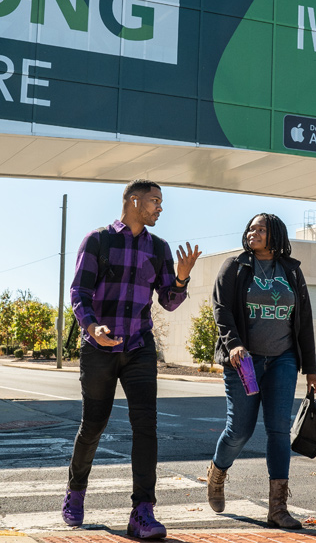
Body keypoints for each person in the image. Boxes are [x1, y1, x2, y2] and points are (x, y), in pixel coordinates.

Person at [64, 179, 201, 539]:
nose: (160, 207)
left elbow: (168, 301)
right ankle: (76, 489)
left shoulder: (159, 248)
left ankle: (143, 510)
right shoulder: (98, 241)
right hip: (98, 350)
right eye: (155, 201)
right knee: (93, 425)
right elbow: (79, 293)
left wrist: (182, 279)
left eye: (161, 202)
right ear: (134, 201)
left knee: (146, 428)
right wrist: (92, 329)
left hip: (139, 346)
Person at [206, 213, 316, 529]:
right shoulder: (235, 267)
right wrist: (233, 345)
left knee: (278, 430)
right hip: (243, 361)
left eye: (261, 228)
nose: (253, 231)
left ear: (276, 236)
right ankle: (217, 472)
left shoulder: (291, 272)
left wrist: (310, 368)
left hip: (282, 359)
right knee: (240, 429)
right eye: (251, 228)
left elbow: (304, 320)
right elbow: (221, 310)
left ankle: (278, 508)